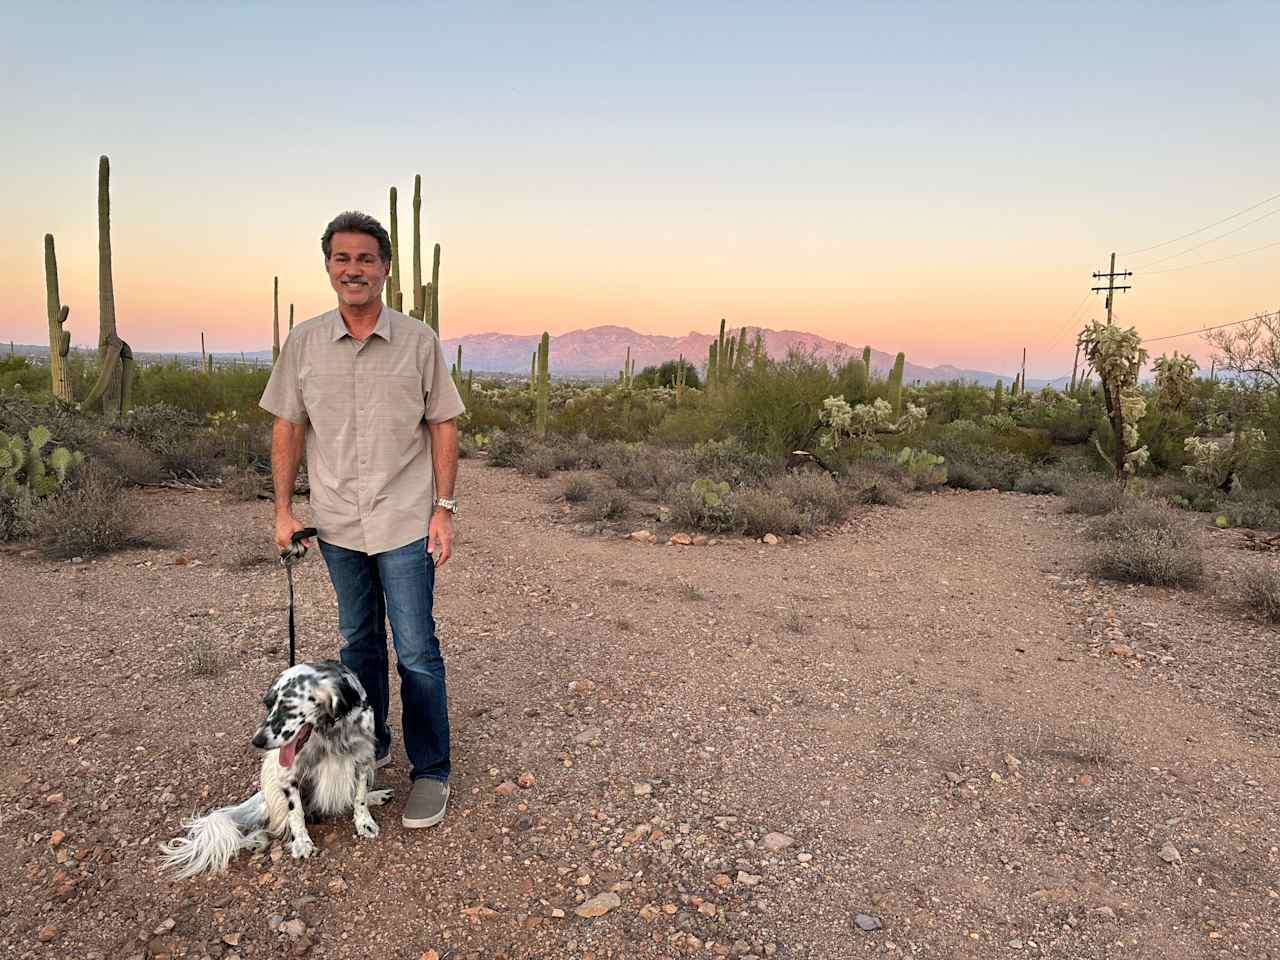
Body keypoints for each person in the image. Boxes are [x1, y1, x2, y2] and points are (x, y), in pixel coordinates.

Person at [259, 210, 465, 829]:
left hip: (404, 518)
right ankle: (369, 758)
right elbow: (288, 425)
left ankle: (431, 772)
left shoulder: (419, 341)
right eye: (343, 259)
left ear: (385, 268)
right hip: (337, 524)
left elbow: (443, 424)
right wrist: (282, 509)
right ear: (328, 267)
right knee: (359, 646)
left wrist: (444, 509)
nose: (354, 269)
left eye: (366, 259)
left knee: (418, 650)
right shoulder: (303, 343)